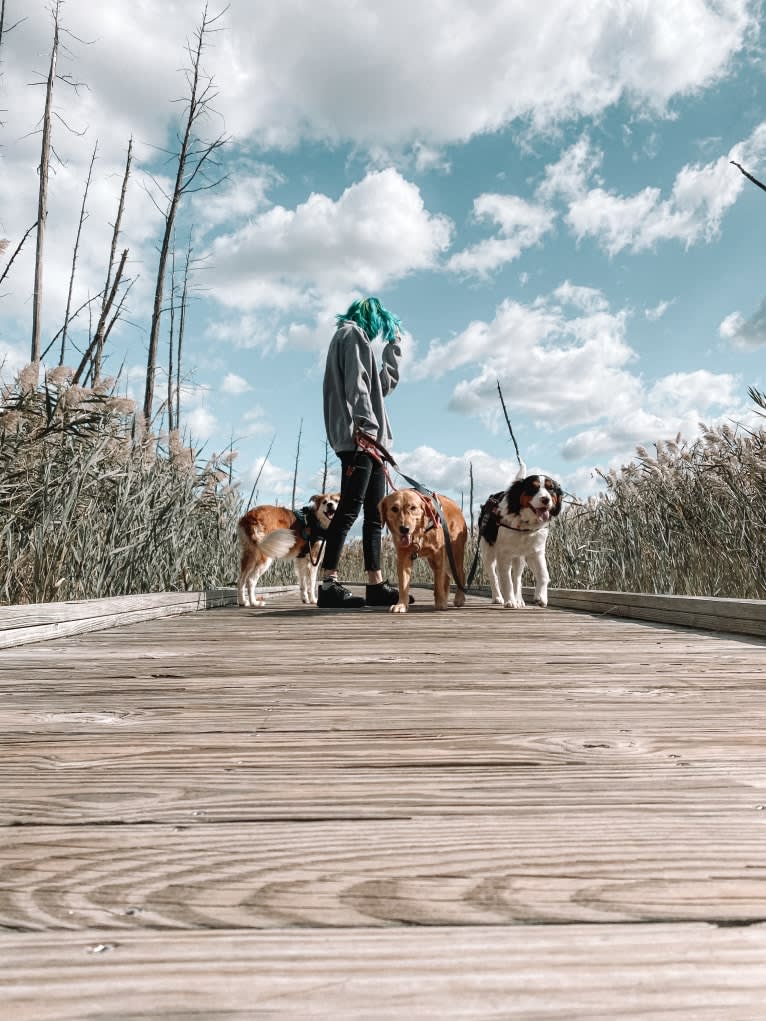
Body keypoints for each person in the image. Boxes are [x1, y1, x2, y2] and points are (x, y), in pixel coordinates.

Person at [318, 296, 410, 609]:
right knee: (349, 510)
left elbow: (380, 387)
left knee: (374, 515)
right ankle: (328, 584)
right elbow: (356, 387)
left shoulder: (359, 343)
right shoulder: (352, 334)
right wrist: (367, 430)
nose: (379, 333)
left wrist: (393, 349)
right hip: (361, 439)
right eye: (383, 328)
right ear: (372, 318)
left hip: (371, 441)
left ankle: (375, 584)